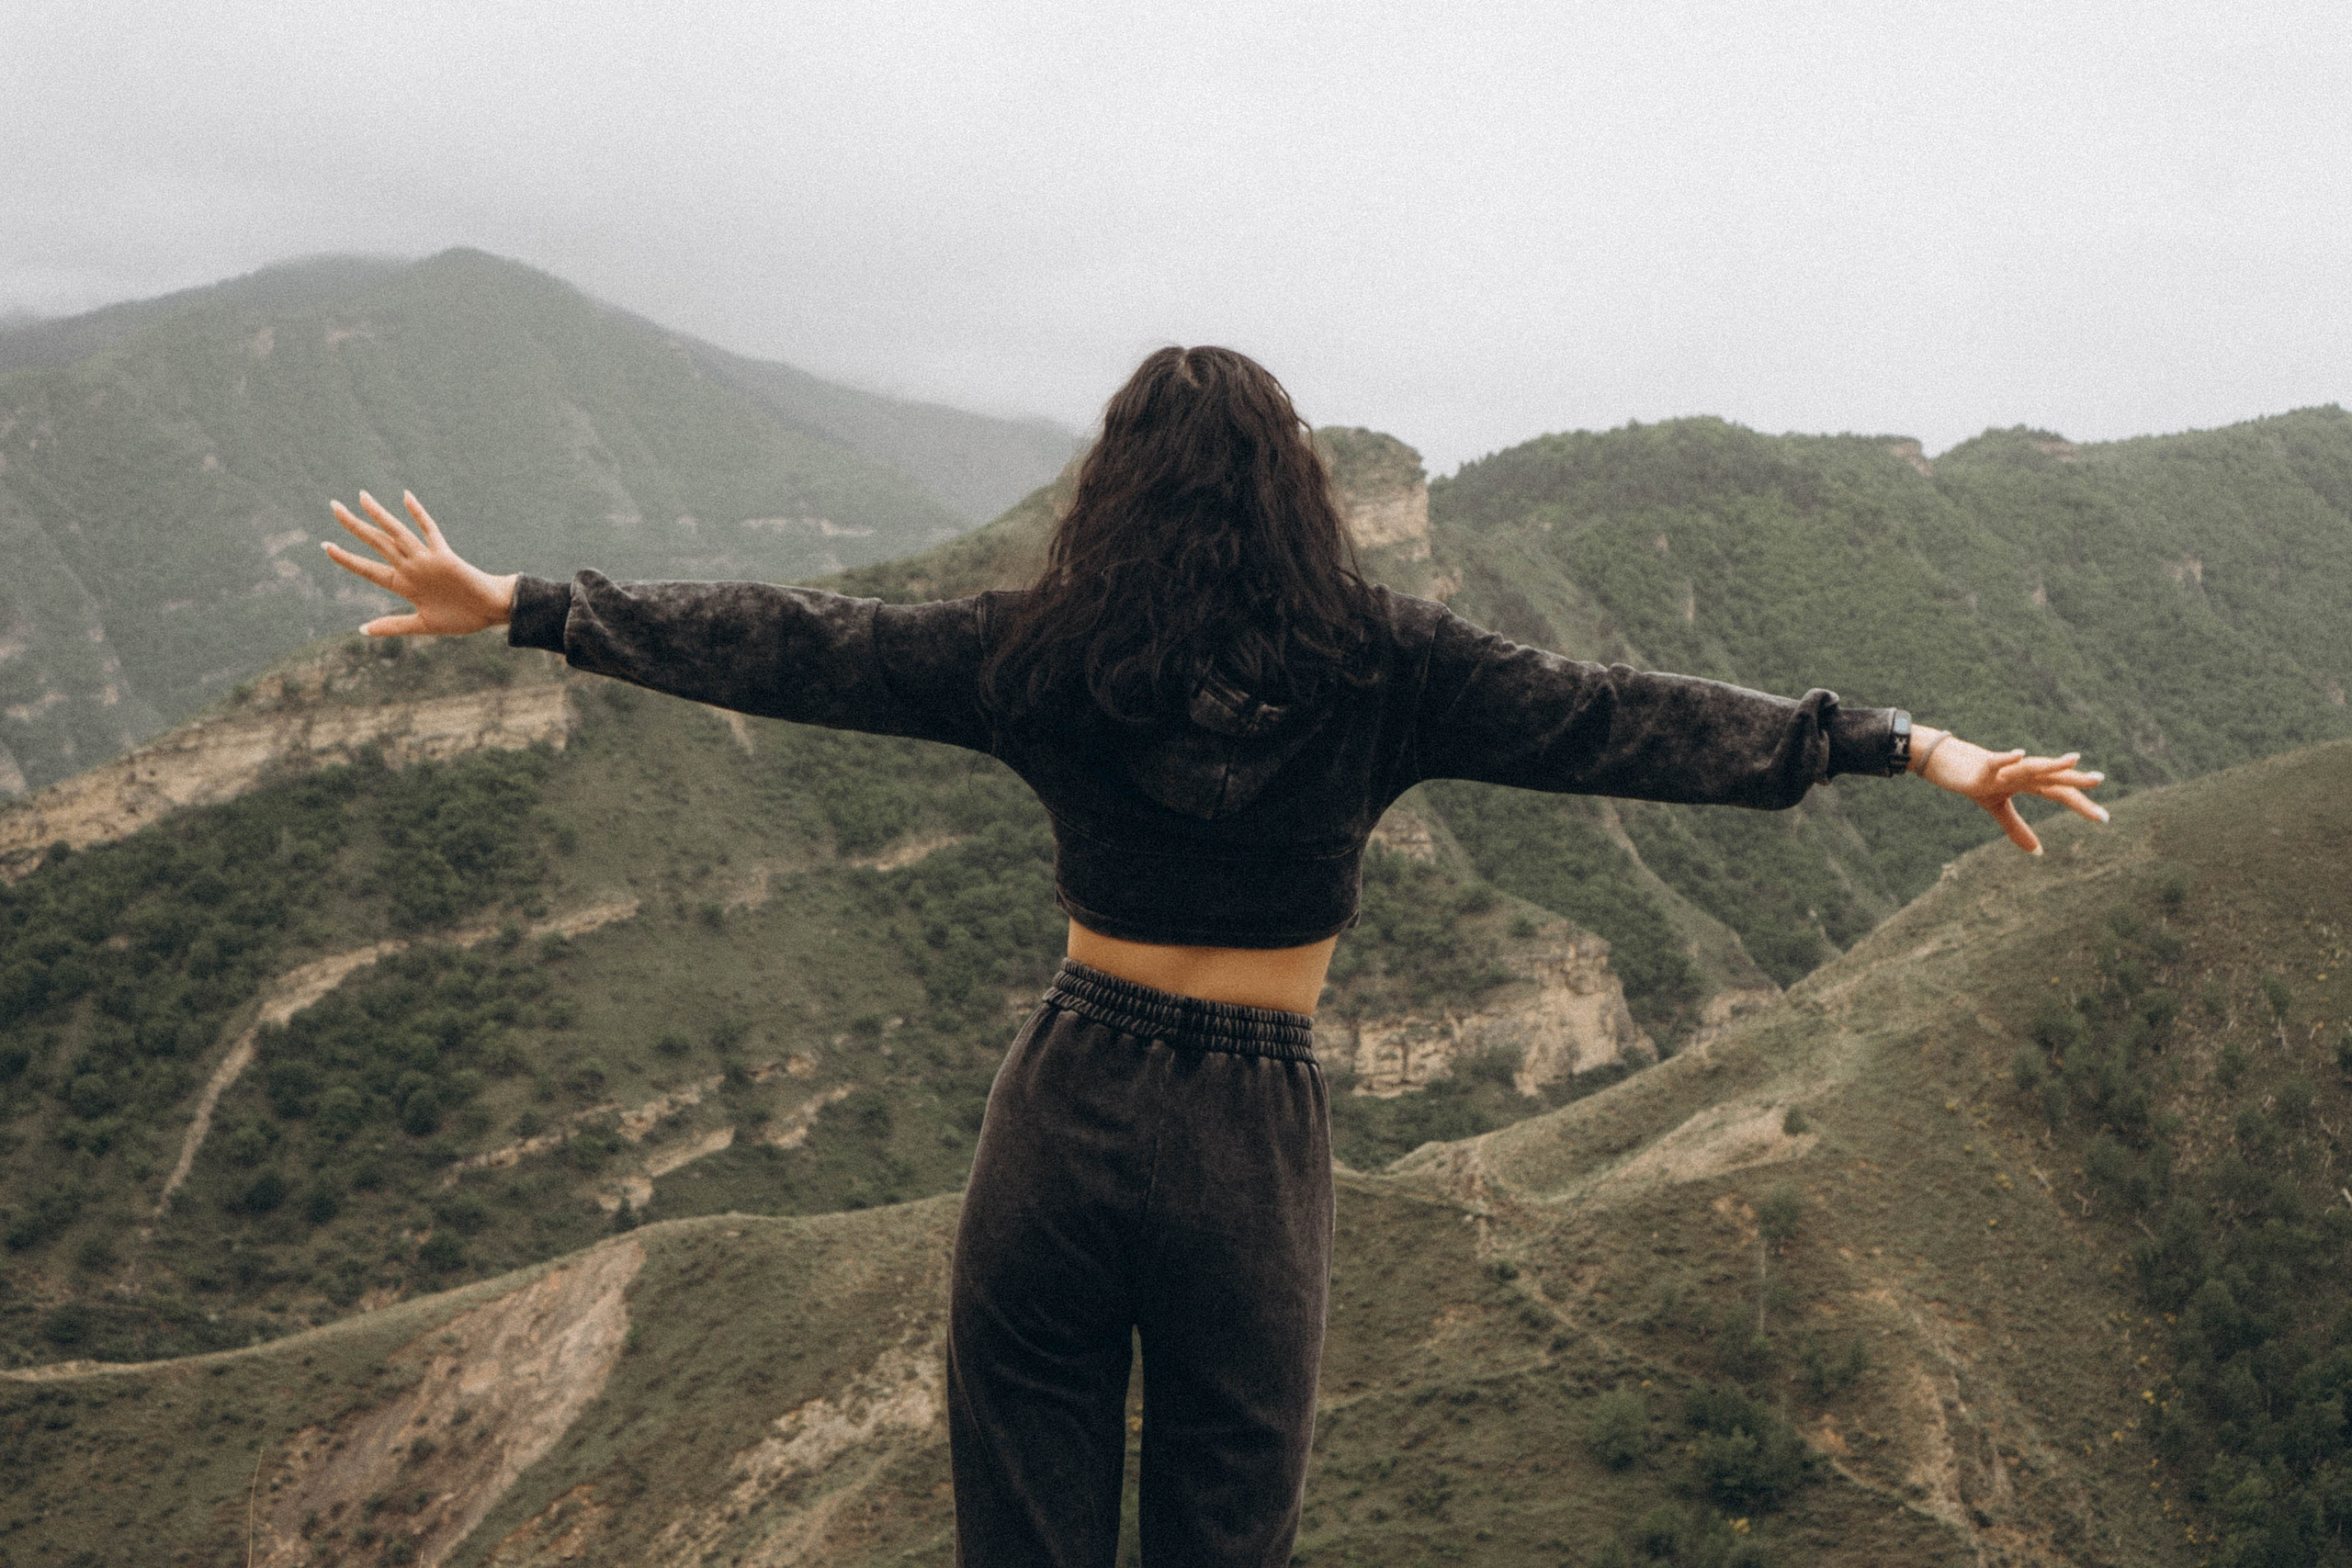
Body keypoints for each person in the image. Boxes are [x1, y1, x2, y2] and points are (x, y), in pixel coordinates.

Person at [322, 345, 2104, 1566]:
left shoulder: (1041, 647)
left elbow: (805, 647)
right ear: (1292, 494)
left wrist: (530, 605)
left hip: (1064, 1095)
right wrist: (1893, 743)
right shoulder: (1382, 660)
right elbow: (1612, 719)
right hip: (1247, 1142)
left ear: (1113, 497)